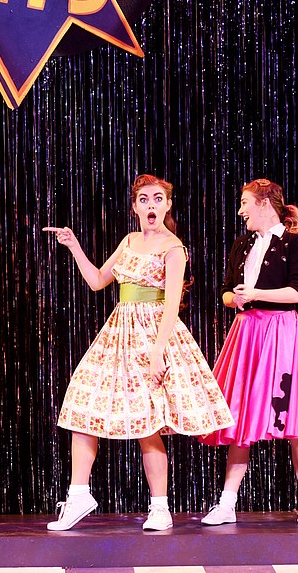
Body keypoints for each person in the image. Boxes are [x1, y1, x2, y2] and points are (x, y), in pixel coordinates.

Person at [44, 174, 233, 532]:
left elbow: (173, 303)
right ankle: (79, 493)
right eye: (144, 199)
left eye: (158, 198)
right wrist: (74, 247)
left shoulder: (173, 247)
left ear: (167, 205)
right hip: (119, 332)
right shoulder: (129, 240)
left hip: (154, 334)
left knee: (150, 423)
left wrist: (159, 353)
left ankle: (160, 507)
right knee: (83, 407)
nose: (151, 205)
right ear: (135, 207)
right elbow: (99, 280)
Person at [197, 179, 298, 526]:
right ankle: (227, 503)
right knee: (240, 417)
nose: (241, 210)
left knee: (295, 418)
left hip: (280, 331)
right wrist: (235, 298)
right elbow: (224, 292)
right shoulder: (243, 243)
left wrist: (256, 293)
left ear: (264, 203)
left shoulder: (294, 242)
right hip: (247, 332)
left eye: (245, 203)